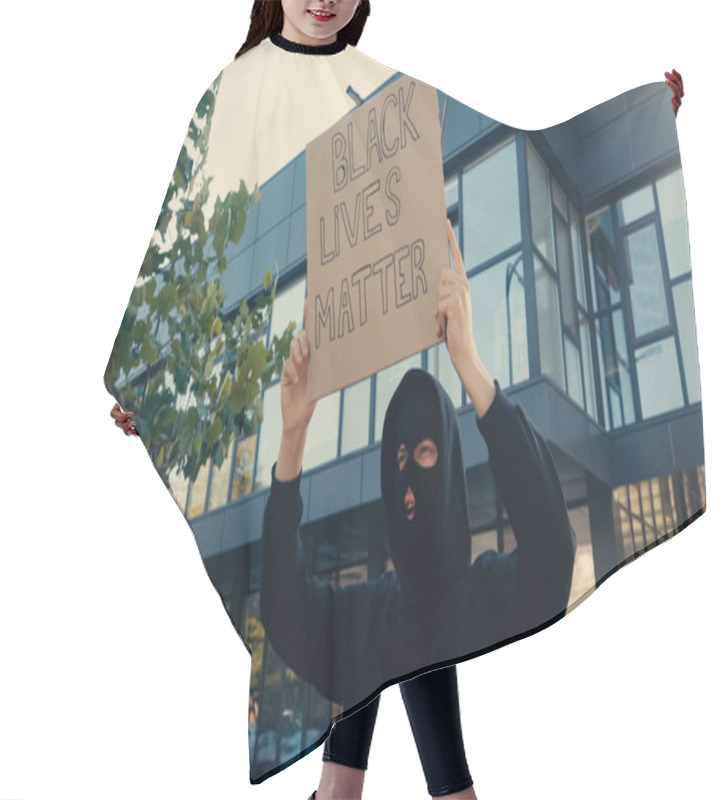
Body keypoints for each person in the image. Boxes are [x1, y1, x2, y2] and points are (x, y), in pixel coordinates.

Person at [109, 4, 686, 800]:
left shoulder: (366, 86)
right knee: (392, 715)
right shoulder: (237, 90)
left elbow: (552, 555)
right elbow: (185, 234)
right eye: (399, 460)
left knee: (386, 703)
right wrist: (167, 391)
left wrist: (473, 371)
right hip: (362, 564)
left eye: (425, 456)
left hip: (408, 602)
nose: (326, 0)